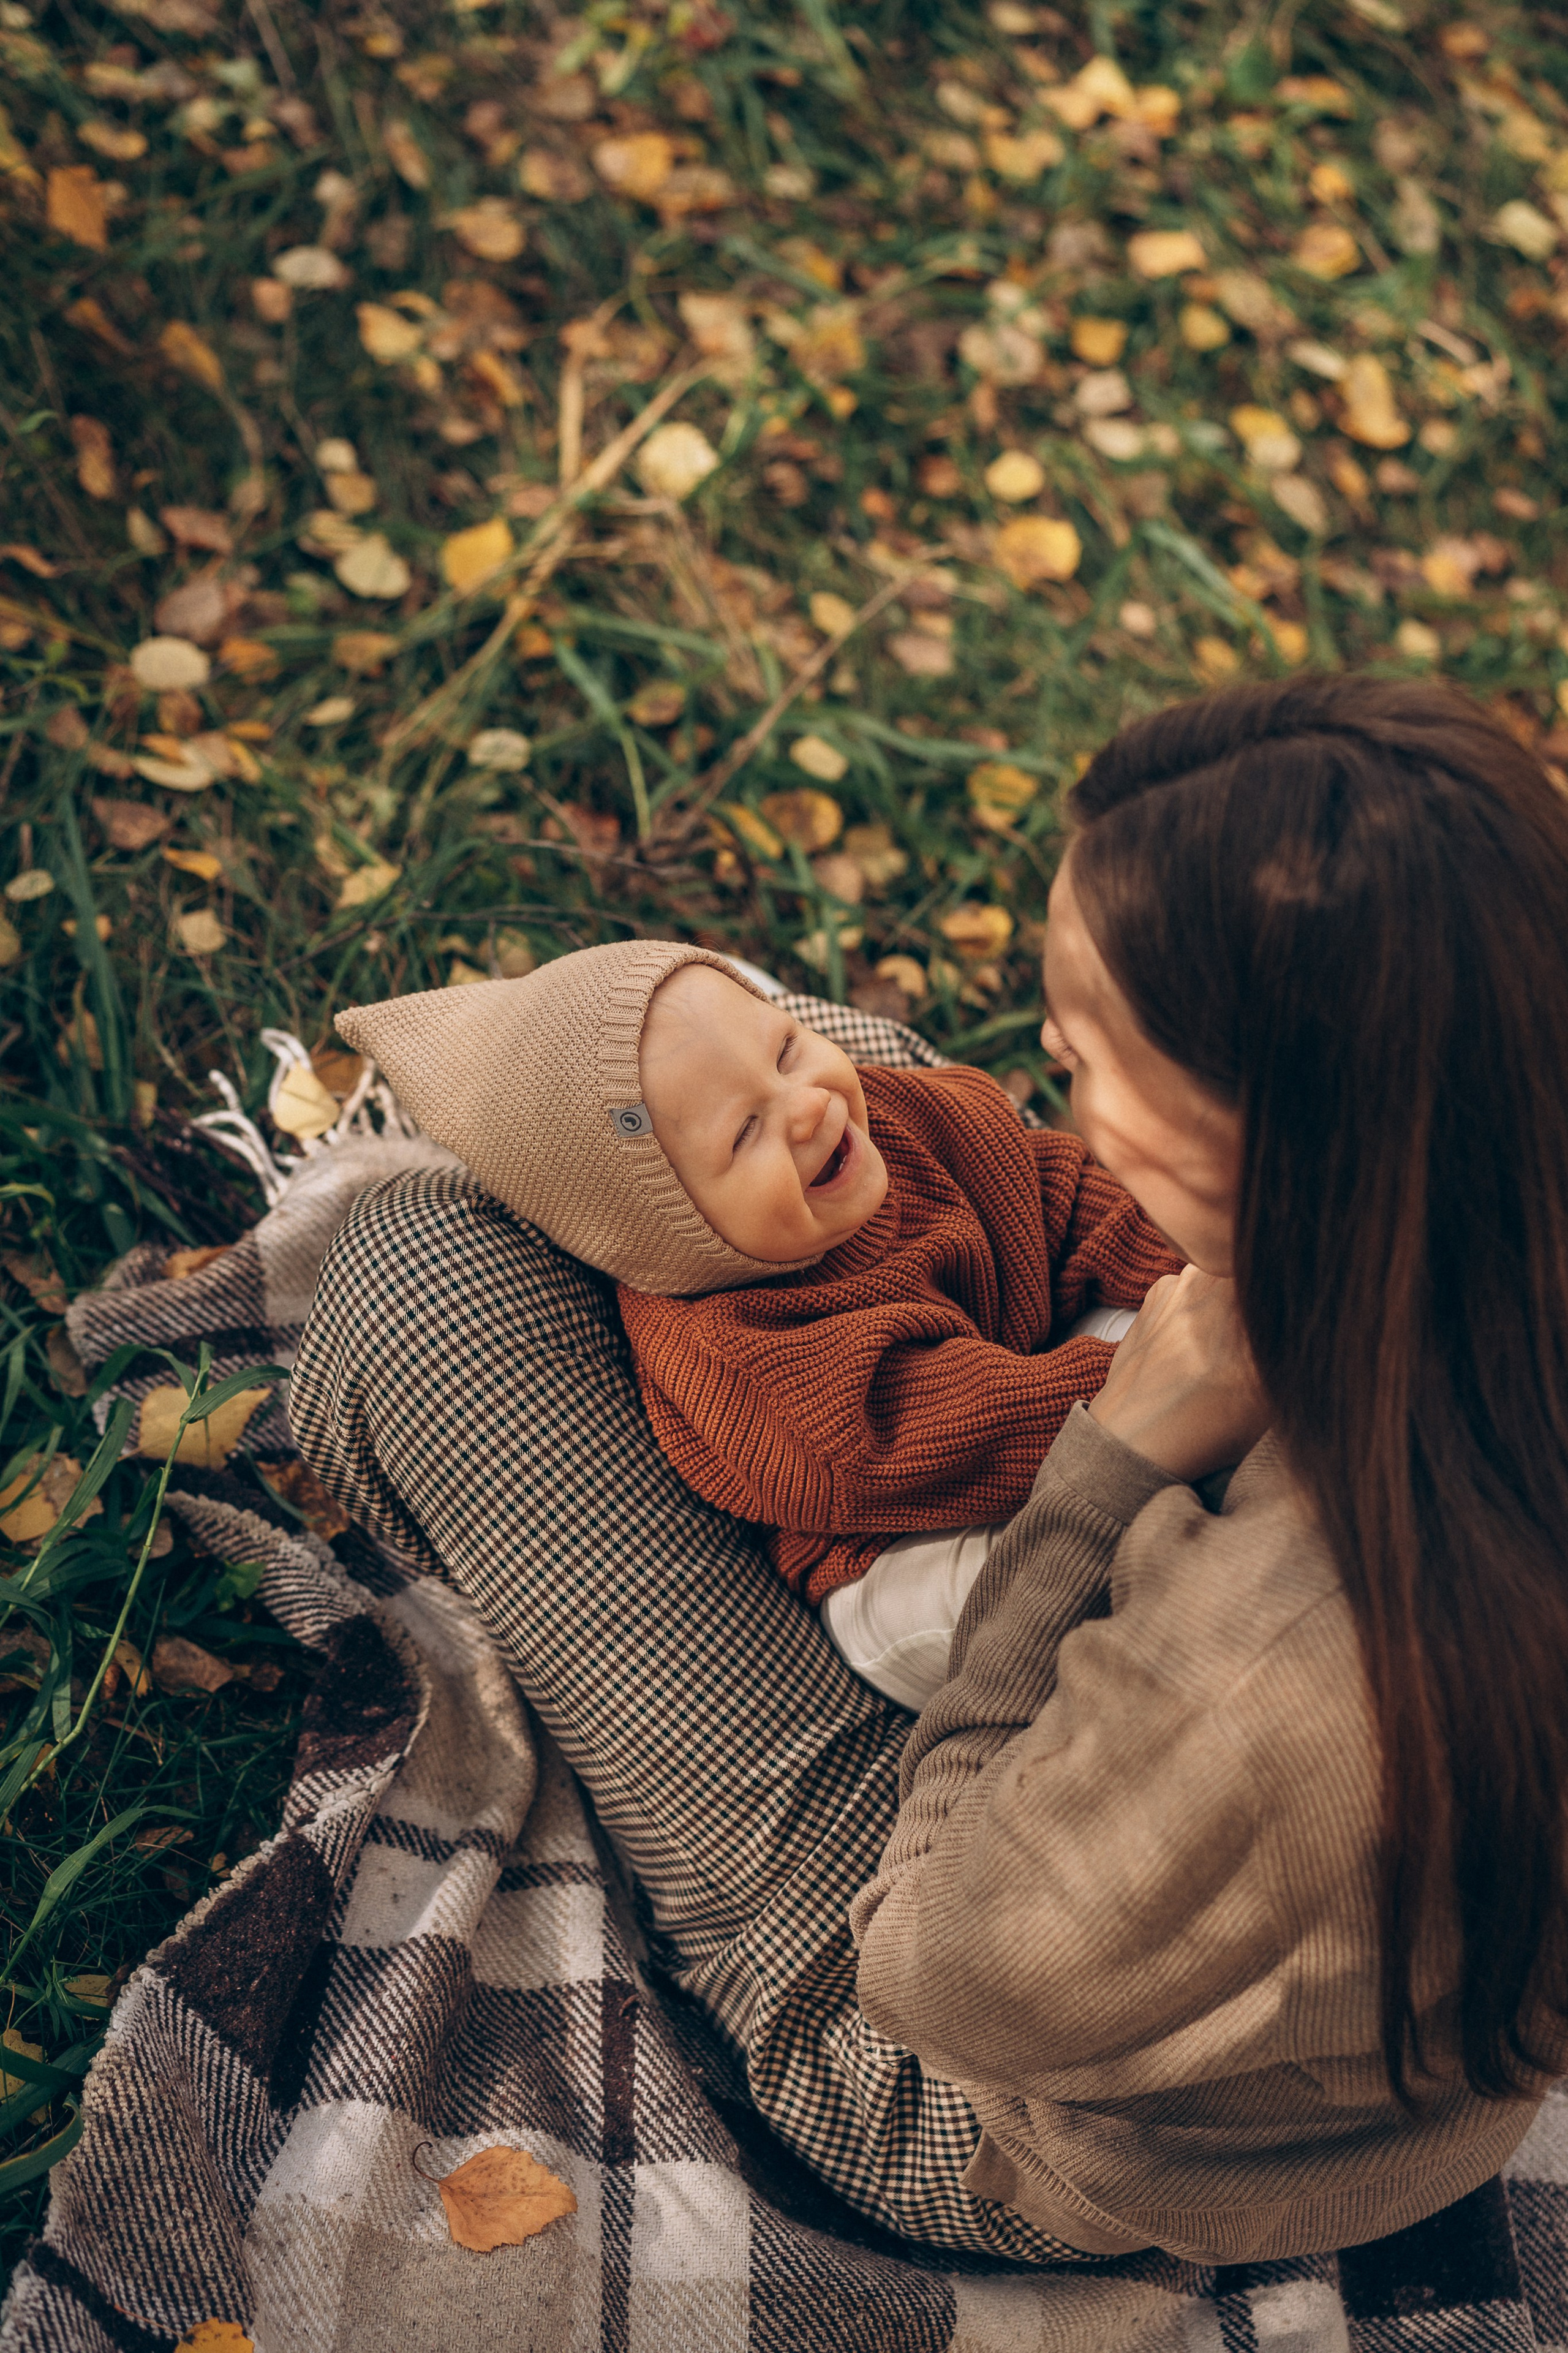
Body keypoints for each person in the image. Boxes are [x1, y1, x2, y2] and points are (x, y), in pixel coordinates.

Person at [292, 674, 1568, 2264]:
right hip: (1264, 1948)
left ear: (1270, 1142)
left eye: (1087, 1052)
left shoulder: (1271, 1690)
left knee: (415, 1271)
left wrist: (1101, 1472)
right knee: (816, 1078)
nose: (1049, 1072)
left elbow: (934, 1963)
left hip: (977, 2068)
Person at [336, 942, 1179, 1709]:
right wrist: (1142, 1393)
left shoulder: (897, 1117)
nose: (806, 1107)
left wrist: (1190, 1273)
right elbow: (906, 1437)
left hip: (1033, 1378)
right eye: (744, 1133)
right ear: (667, 1230)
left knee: (1178, 1306)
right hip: (901, 1547)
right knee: (1019, 1591)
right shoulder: (730, 1346)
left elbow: (1061, 1194)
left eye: (784, 1049)